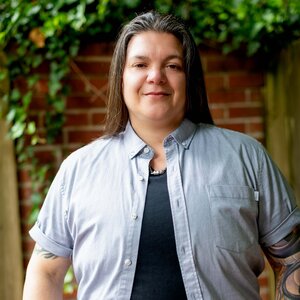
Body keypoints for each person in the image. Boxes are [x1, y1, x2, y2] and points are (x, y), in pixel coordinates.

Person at [23, 11, 300, 300]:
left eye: (172, 65)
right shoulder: (78, 171)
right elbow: (46, 271)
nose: (155, 76)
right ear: (121, 77)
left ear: (188, 78)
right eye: (140, 64)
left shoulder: (247, 159)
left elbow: (293, 262)